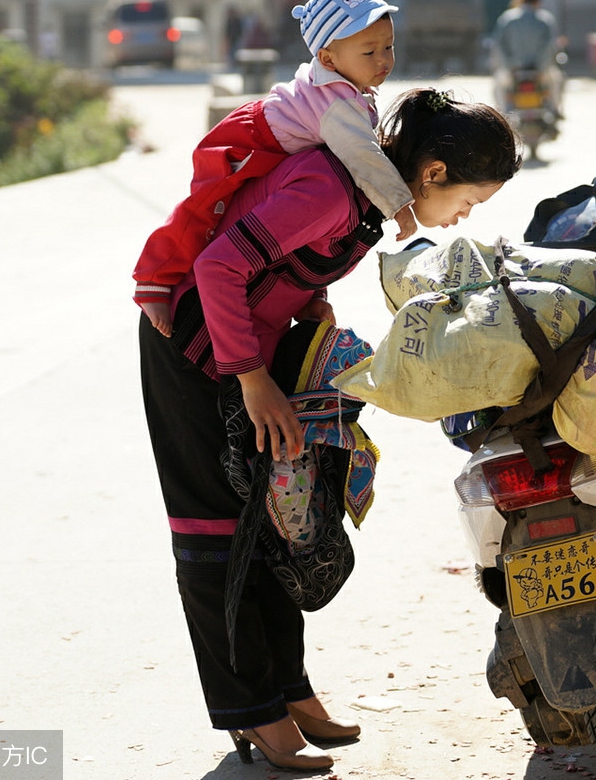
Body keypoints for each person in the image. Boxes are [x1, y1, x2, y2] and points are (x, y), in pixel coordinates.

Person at [139, 87, 520, 772]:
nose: (466, 215)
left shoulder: (366, 199)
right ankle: (252, 711)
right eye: (470, 198)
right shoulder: (331, 189)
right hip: (197, 347)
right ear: (431, 172)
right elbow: (217, 267)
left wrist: (311, 312)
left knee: (277, 518)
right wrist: (254, 380)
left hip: (254, 347)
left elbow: (283, 263)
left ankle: (288, 690)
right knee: (214, 531)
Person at [134, 0, 418, 338]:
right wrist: (399, 205)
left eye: (389, 47)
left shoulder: (347, 87)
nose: (383, 60)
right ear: (327, 59)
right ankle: (153, 281)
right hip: (248, 141)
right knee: (205, 209)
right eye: (369, 51)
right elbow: (364, 156)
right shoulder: (338, 102)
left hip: (274, 149)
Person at [490, 0, 564, 116]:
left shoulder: (507, 19)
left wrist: (508, 65)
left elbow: (499, 45)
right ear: (538, 0)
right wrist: (542, 68)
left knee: (499, 88)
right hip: (540, 72)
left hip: (513, 71)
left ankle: (501, 117)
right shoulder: (545, 19)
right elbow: (549, 46)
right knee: (556, 81)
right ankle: (554, 111)